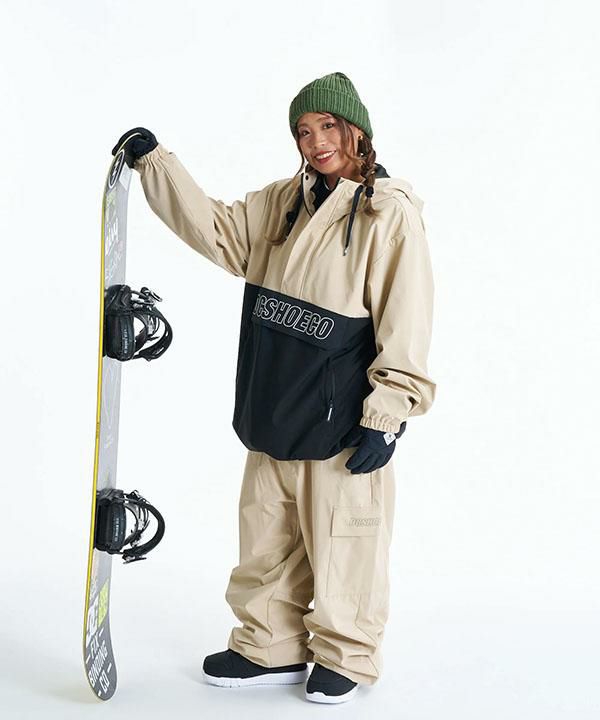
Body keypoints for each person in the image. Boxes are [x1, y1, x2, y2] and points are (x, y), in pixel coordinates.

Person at [112, 71, 436, 705]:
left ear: (357, 130)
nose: (316, 142)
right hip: (274, 401)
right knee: (266, 537)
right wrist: (157, 166)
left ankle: (346, 654)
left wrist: (387, 414)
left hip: (344, 419)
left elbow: (408, 317)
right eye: (304, 132)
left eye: (328, 126)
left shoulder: (387, 214)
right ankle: (269, 646)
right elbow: (215, 229)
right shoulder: (282, 204)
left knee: (345, 543)